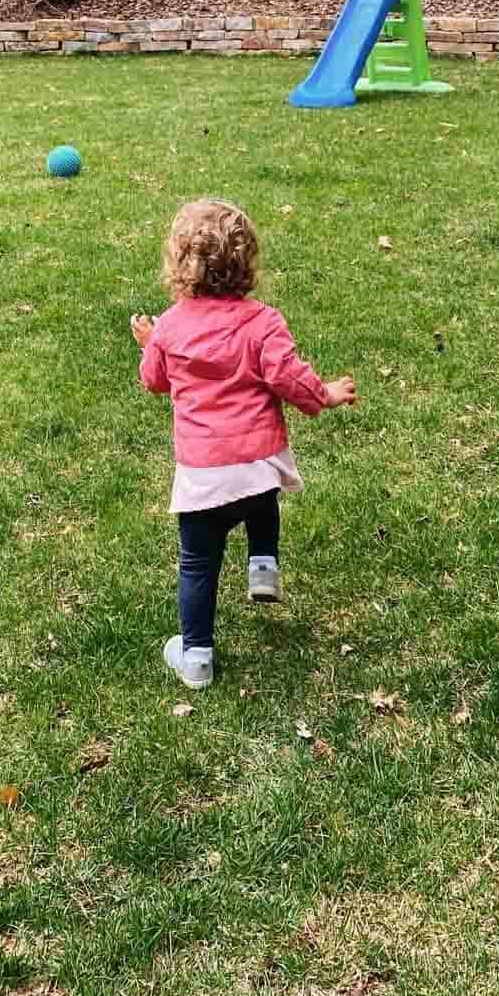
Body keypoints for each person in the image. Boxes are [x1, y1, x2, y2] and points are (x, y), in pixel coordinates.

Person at [131, 198, 356, 690]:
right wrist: (327, 396)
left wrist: (153, 341)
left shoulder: (169, 326)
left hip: (203, 475)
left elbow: (155, 380)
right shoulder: (263, 322)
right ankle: (263, 566)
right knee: (261, 501)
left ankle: (196, 658)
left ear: (179, 262)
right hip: (258, 465)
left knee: (197, 564)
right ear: (246, 261)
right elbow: (290, 378)